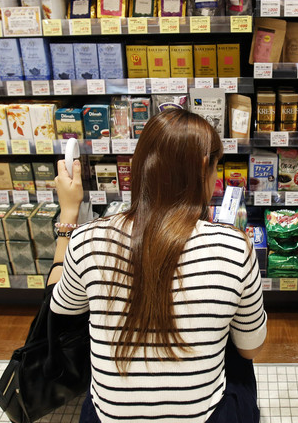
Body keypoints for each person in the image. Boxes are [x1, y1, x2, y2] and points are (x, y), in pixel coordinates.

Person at [47, 109, 267, 423]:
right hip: (205, 416)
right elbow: (250, 349)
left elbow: (63, 308)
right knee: (235, 349)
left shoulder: (87, 239)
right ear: (204, 166)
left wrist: (68, 216)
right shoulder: (235, 245)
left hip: (107, 417)